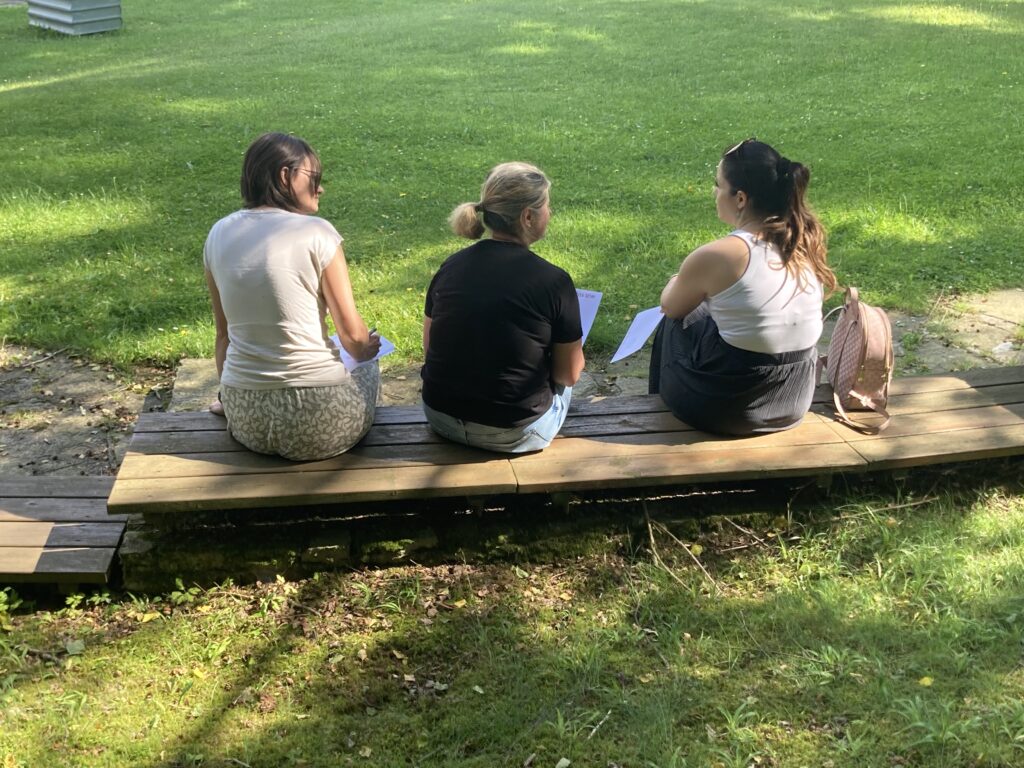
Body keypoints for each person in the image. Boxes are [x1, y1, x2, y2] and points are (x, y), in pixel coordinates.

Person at [203, 132, 380, 460]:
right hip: (318, 424)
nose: (321, 188)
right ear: (286, 176)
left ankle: (225, 403)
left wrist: (230, 398)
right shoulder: (318, 233)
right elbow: (353, 338)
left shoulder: (218, 234)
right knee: (369, 364)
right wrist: (366, 348)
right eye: (315, 178)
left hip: (247, 421)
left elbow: (223, 336)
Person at [649, 138, 837, 435]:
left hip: (732, 409)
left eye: (718, 184)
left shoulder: (722, 254)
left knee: (677, 319)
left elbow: (669, 305)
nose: (714, 192)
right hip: (794, 399)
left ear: (740, 198)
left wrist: (679, 280)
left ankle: (657, 412)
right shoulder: (801, 243)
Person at [421, 162, 585, 453]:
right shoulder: (553, 281)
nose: (551, 212)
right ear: (528, 217)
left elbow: (429, 347)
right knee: (570, 375)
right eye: (547, 205)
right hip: (516, 432)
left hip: (440, 416)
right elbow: (568, 375)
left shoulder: (451, 266)